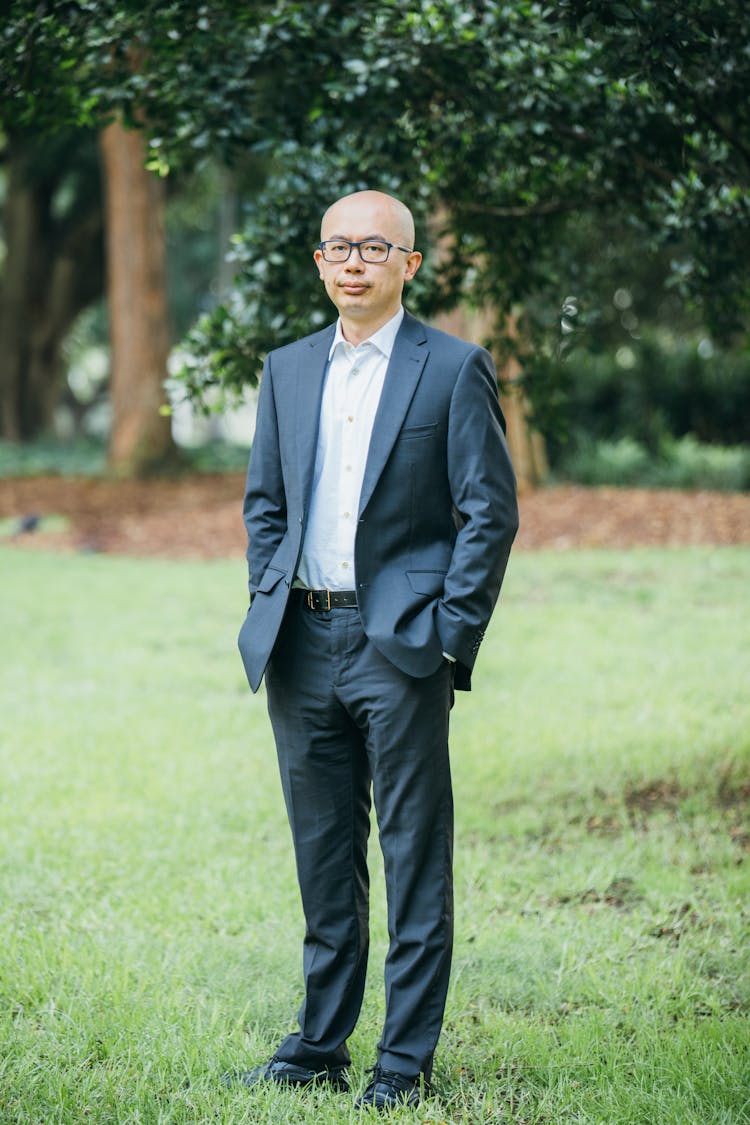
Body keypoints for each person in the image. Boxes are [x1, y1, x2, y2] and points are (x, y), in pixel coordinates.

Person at [232, 189, 518, 1110]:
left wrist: (449, 635)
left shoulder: (453, 369)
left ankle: (404, 1061)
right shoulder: (285, 369)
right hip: (301, 643)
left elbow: (489, 512)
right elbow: (265, 503)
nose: (353, 261)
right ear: (319, 263)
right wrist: (267, 596)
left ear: (409, 265)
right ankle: (320, 1045)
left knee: (412, 852)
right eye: (337, 247)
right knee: (324, 855)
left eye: (373, 247)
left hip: (401, 647)